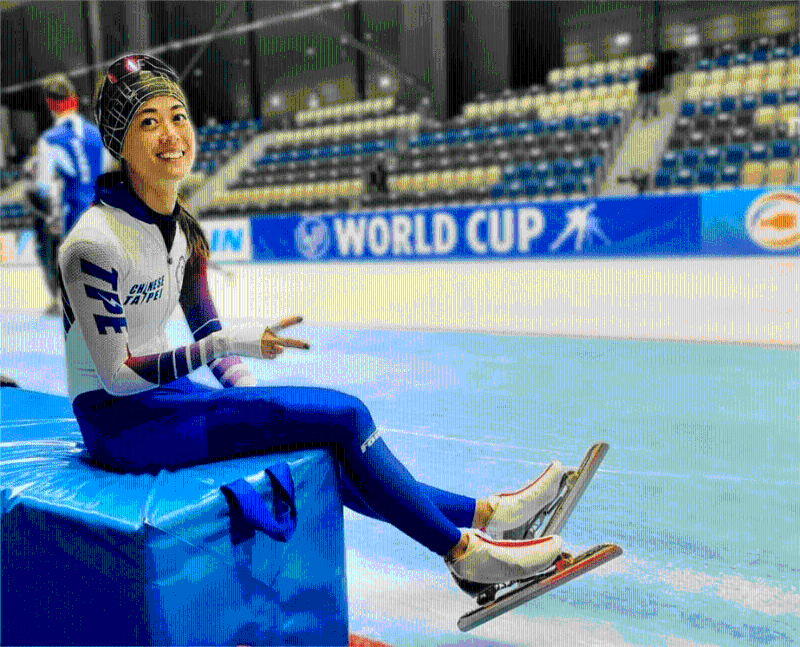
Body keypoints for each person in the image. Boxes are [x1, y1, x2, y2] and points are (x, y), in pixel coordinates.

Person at [59, 54, 566, 587]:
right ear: (119, 142)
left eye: (178, 116)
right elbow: (118, 375)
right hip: (120, 426)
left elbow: (206, 328)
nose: (170, 134)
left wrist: (248, 393)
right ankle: (464, 553)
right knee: (346, 416)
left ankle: (486, 515)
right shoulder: (93, 243)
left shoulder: (182, 230)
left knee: (318, 443)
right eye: (148, 121)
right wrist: (228, 350)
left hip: (167, 398)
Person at [27, 74, 117, 315]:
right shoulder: (98, 135)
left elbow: (43, 187)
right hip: (100, 210)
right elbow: (105, 172)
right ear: (74, 100)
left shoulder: (50, 140)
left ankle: (61, 301)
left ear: (51, 105)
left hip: (74, 213)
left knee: (55, 254)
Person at [637, 56, 660, 120]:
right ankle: (644, 114)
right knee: (644, 103)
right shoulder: (644, 73)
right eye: (648, 64)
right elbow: (641, 82)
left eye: (650, 64)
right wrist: (640, 90)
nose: (649, 66)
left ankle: (655, 111)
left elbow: (657, 82)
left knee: (653, 102)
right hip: (645, 91)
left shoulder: (655, 72)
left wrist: (657, 89)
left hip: (652, 90)